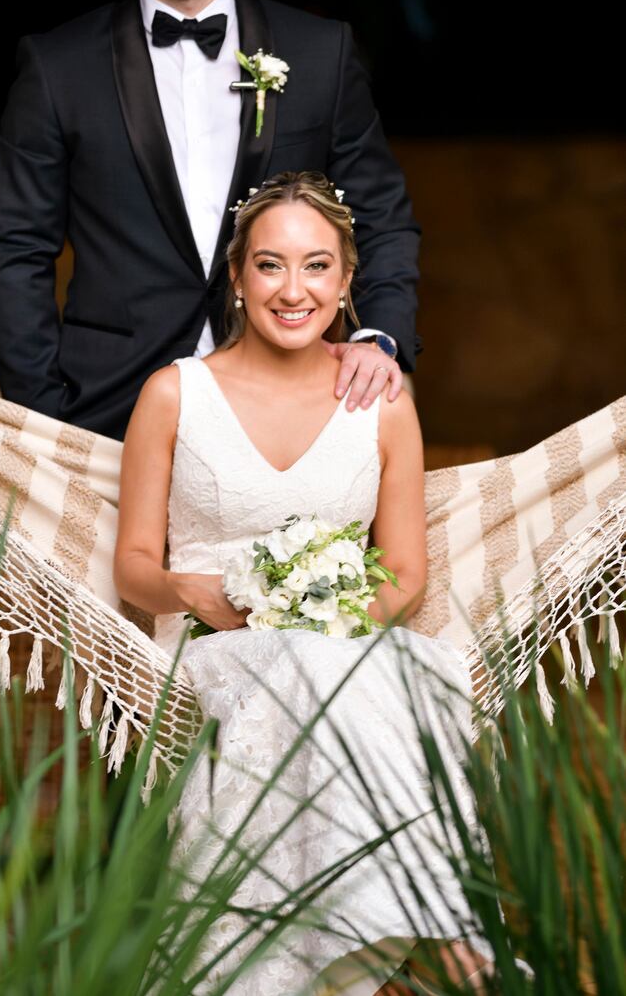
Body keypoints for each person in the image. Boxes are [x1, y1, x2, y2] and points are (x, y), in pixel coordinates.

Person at [114, 172, 492, 994]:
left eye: (317, 266)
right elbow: (133, 568)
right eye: (271, 265)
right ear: (239, 277)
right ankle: (437, 915)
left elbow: (406, 572)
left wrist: (326, 617)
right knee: (352, 676)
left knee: (371, 668)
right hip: (214, 642)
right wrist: (197, 594)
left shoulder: (386, 402)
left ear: (349, 280)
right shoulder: (175, 394)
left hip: (342, 645)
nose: (295, 289)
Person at [0, 0, 422, 443]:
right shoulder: (56, 68)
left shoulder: (323, 52)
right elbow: (15, 249)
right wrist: (46, 415)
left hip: (302, 402)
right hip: (107, 413)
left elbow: (380, 213)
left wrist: (378, 338)